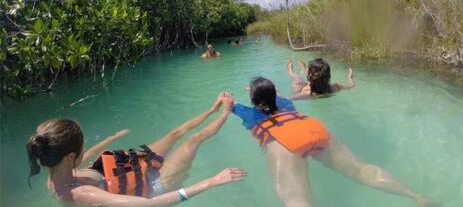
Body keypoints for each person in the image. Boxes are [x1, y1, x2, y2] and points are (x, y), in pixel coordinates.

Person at [232, 77, 437, 207]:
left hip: (285, 142)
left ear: (253, 99)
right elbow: (275, 96)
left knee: (296, 200)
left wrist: (228, 100)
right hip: (313, 129)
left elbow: (229, 104)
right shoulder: (286, 102)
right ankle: (417, 196)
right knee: (360, 169)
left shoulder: (248, 114)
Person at [27, 93, 247, 206]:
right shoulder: (81, 193)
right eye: (82, 145)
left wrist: (112, 138)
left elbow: (90, 154)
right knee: (194, 140)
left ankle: (211, 109)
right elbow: (149, 204)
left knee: (174, 134)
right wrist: (211, 182)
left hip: (129, 166)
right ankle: (226, 112)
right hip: (151, 185)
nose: (86, 148)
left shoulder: (56, 168)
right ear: (71, 156)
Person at [286, 58, 355, 100]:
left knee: (297, 79)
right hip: (315, 86)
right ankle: (304, 69)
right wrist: (350, 78)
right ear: (328, 76)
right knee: (317, 75)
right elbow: (352, 85)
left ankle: (290, 70)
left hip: (302, 89)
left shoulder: (305, 94)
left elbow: (289, 99)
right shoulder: (335, 87)